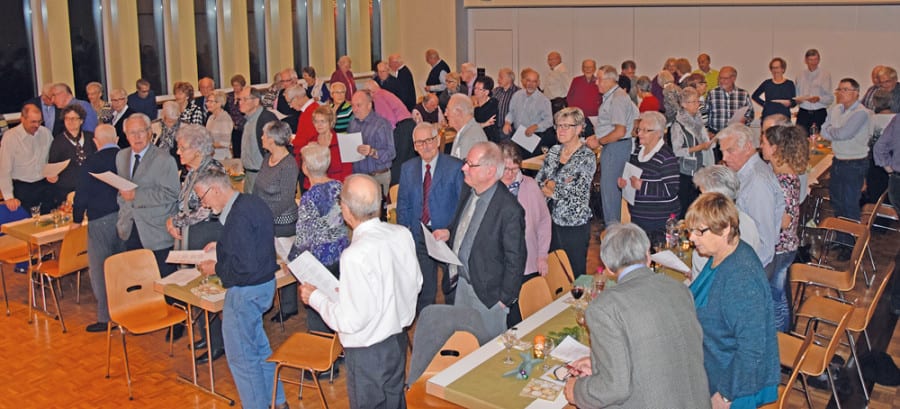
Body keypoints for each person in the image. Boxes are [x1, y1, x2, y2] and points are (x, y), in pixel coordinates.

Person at [299, 174, 421, 409]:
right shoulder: (401, 234)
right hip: (397, 341)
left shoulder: (354, 255)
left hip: (367, 353)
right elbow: (414, 283)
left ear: (346, 210)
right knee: (395, 402)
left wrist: (314, 297)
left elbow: (350, 320)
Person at [564, 223, 710, 409]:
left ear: (608, 267)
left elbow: (614, 389)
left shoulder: (604, 308)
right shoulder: (679, 288)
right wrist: (598, 362)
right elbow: (660, 350)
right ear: (648, 256)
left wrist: (577, 391)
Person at [193, 168, 288, 409]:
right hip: (265, 284)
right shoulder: (252, 202)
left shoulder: (237, 218)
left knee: (243, 359)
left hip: (246, 291)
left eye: (203, 198)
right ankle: (277, 400)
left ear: (215, 190)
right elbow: (253, 244)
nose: (203, 204)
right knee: (258, 347)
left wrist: (217, 267)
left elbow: (243, 266)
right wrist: (223, 245)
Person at [685, 192, 780, 409]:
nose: (692, 238)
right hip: (716, 367)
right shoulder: (722, 255)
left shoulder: (741, 278)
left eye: (700, 231)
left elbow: (752, 348)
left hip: (734, 386)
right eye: (690, 230)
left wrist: (725, 395)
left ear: (726, 228)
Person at [433, 141, 526, 337]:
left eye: (471, 164)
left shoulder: (509, 209)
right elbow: (465, 224)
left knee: (489, 351)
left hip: (488, 296)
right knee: (465, 342)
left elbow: (516, 259)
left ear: (490, 171)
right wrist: (449, 233)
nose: (464, 168)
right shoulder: (469, 190)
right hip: (463, 285)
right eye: (466, 162)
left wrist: (504, 299)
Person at [116, 114, 181, 337]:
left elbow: (172, 194)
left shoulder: (164, 159)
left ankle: (176, 322)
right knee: (138, 276)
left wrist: (136, 195)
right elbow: (121, 190)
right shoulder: (121, 156)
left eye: (141, 131)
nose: (136, 137)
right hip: (131, 225)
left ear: (150, 133)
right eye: (131, 133)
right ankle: (145, 314)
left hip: (157, 228)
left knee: (166, 278)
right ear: (125, 135)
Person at [165, 125, 226, 361]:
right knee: (192, 285)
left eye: (183, 147)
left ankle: (217, 343)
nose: (178, 152)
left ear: (198, 148)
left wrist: (176, 220)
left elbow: (205, 209)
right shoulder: (191, 170)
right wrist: (173, 221)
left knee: (206, 285)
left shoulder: (212, 169)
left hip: (206, 233)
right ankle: (206, 336)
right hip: (189, 233)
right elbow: (182, 203)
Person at [398, 123, 465, 313]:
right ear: (414, 146)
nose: (425, 146)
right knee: (425, 289)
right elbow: (403, 204)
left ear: (437, 141)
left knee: (451, 286)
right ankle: (428, 326)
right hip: (419, 236)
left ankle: (455, 324)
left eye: (428, 140)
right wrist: (405, 235)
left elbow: (463, 205)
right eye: (419, 143)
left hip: (446, 235)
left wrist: (451, 231)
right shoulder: (407, 168)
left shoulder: (454, 167)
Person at [289, 143, 350, 334]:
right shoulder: (340, 186)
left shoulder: (309, 199)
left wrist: (291, 260)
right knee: (341, 306)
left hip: (320, 264)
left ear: (305, 167)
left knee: (319, 312)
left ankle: (326, 357)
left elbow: (304, 239)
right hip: (342, 256)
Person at [71, 124, 123, 332]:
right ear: (117, 139)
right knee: (122, 266)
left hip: (99, 220)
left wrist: (76, 220)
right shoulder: (127, 158)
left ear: (96, 142)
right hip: (125, 219)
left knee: (100, 270)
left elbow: (81, 195)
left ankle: (105, 317)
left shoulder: (90, 162)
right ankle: (126, 308)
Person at [535, 107, 595, 278]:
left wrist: (552, 189)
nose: (560, 130)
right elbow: (540, 179)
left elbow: (577, 192)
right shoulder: (554, 151)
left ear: (578, 129)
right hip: (549, 220)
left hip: (574, 223)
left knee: (575, 273)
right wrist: (552, 184)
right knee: (554, 270)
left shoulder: (587, 156)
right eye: (558, 125)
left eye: (566, 126)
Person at [760, 125, 809, 332]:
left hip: (781, 248)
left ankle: (781, 341)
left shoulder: (782, 181)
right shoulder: (785, 175)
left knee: (776, 297)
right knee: (778, 294)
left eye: (763, 142)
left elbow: (784, 221)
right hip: (787, 246)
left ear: (775, 149)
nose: (760, 146)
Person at [717, 123, 784, 273]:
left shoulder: (757, 182)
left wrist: (744, 271)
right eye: (722, 152)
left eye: (730, 151)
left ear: (747, 147)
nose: (724, 158)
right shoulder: (747, 173)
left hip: (755, 265)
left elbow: (764, 240)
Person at [253, 121, 301, 323]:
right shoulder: (267, 159)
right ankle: (270, 301)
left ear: (272, 139)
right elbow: (257, 187)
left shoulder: (289, 164)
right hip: (265, 219)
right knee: (268, 262)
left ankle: (289, 306)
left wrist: (262, 216)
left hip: (283, 222)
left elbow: (286, 199)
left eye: (264, 135)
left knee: (286, 263)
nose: (262, 138)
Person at [820, 78, 874, 246]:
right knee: (837, 202)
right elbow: (823, 130)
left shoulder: (862, 113)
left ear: (856, 93)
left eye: (845, 89)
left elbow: (844, 134)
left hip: (854, 163)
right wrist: (834, 131)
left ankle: (851, 245)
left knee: (850, 204)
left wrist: (833, 131)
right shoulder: (835, 109)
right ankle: (841, 238)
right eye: (839, 89)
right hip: (838, 161)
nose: (840, 93)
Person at [587, 65, 639, 225]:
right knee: (610, 192)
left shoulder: (617, 98)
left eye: (600, 79)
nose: (596, 82)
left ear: (611, 80)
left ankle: (613, 231)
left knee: (610, 193)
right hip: (616, 146)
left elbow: (619, 131)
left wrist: (599, 140)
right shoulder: (615, 97)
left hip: (616, 147)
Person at [690, 165, 761, 280]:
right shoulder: (748, 221)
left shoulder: (711, 232)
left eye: (702, 195)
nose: (698, 199)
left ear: (717, 199)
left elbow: (703, 277)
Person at [618, 111, 680, 240]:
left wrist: (643, 185)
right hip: (638, 217)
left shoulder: (666, 157)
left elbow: (671, 190)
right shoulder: (637, 152)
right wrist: (624, 184)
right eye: (639, 129)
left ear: (658, 133)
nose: (639, 134)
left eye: (645, 130)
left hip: (660, 221)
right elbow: (632, 177)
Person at [499, 142, 551, 282]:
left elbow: (544, 221)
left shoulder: (530, 186)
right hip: (499, 267)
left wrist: (542, 255)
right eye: (505, 169)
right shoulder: (490, 188)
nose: (510, 174)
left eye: (514, 169)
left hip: (528, 262)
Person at [0, 104, 54, 213]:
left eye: (39, 121)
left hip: (44, 186)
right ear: (22, 119)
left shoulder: (45, 133)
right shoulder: (10, 137)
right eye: (33, 122)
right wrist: (8, 197)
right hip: (22, 188)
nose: (36, 125)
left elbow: (52, 159)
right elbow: (5, 169)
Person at [671, 87, 714, 218]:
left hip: (699, 170)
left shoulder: (699, 120)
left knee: (697, 206)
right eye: (694, 102)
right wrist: (699, 147)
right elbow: (677, 151)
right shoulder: (678, 125)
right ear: (684, 104)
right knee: (685, 207)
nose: (697, 105)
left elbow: (704, 141)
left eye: (698, 101)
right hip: (685, 172)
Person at [348, 90, 396, 197]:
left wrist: (372, 152)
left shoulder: (382, 124)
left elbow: (391, 153)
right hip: (359, 177)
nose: (354, 109)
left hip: (377, 177)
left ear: (369, 105)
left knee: (378, 212)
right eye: (353, 105)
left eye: (359, 105)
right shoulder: (352, 124)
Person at [48, 103, 97, 205]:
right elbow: (52, 166)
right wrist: (52, 176)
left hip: (91, 187)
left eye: (74, 118)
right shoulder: (58, 141)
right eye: (67, 118)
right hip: (67, 190)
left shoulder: (91, 137)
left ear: (81, 121)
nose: (70, 122)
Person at [503, 67, 554, 156]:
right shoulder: (517, 95)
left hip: (533, 138)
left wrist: (536, 126)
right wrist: (507, 122)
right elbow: (511, 112)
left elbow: (549, 121)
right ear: (524, 82)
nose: (530, 84)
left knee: (529, 165)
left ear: (538, 83)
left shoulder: (544, 100)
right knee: (516, 161)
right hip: (517, 135)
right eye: (528, 81)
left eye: (534, 81)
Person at [239, 88, 279, 193]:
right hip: (249, 175)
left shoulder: (267, 118)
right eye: (239, 100)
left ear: (256, 101)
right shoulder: (247, 120)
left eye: (244, 99)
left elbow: (276, 149)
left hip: (262, 175)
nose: (240, 103)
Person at [794, 49, 834, 134]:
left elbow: (830, 98)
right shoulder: (799, 75)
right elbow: (797, 95)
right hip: (803, 113)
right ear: (806, 60)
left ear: (819, 60)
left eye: (815, 60)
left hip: (819, 113)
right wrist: (797, 100)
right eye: (810, 60)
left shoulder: (825, 75)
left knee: (819, 141)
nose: (813, 63)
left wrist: (819, 99)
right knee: (800, 139)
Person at [706, 66, 753, 135]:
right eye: (720, 78)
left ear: (733, 78)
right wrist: (707, 131)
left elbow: (750, 113)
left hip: (736, 135)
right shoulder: (712, 93)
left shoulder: (743, 94)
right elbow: (705, 114)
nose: (721, 81)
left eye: (725, 78)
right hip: (716, 135)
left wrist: (745, 120)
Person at [311, 105, 353, 182]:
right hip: (318, 186)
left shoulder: (343, 142)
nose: (319, 125)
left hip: (338, 186)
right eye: (316, 121)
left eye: (323, 121)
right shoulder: (311, 143)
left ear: (331, 122)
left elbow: (348, 172)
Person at [447, 93, 488, 160]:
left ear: (458, 112)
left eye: (448, 110)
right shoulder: (467, 130)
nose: (446, 114)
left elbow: (463, 169)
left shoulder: (470, 138)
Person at [205, 90, 234, 160]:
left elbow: (225, 143)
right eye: (207, 101)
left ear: (219, 104)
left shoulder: (225, 118)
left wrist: (209, 145)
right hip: (211, 157)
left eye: (211, 102)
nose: (207, 104)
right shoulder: (210, 118)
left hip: (222, 158)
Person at [493, 68, 520, 139]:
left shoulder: (518, 92)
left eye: (501, 77)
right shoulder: (496, 91)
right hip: (495, 127)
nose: (498, 79)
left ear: (509, 79)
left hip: (510, 129)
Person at [472, 75, 501, 143]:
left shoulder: (493, 103)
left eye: (479, 89)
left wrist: (475, 107)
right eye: (475, 88)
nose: (475, 91)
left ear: (486, 92)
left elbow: (478, 119)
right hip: (474, 138)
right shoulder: (472, 101)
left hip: (489, 140)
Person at [226, 74, 248, 158]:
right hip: (233, 126)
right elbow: (227, 110)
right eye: (234, 85)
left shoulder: (244, 96)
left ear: (242, 85)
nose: (235, 87)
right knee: (236, 150)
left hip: (243, 125)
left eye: (237, 85)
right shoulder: (229, 96)